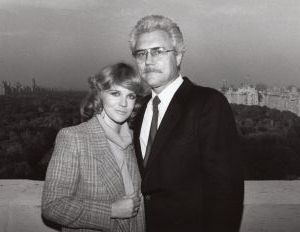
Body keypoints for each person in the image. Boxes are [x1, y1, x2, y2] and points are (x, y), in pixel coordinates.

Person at [129, 15, 244, 232]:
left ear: (179, 56)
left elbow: (226, 192)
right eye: (141, 53)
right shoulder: (142, 109)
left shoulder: (208, 104)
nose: (148, 60)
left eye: (158, 51)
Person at [42, 63, 145, 232]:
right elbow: (52, 206)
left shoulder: (138, 140)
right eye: (115, 93)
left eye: (131, 96)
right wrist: (111, 211)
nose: (124, 103)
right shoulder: (73, 138)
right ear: (99, 95)